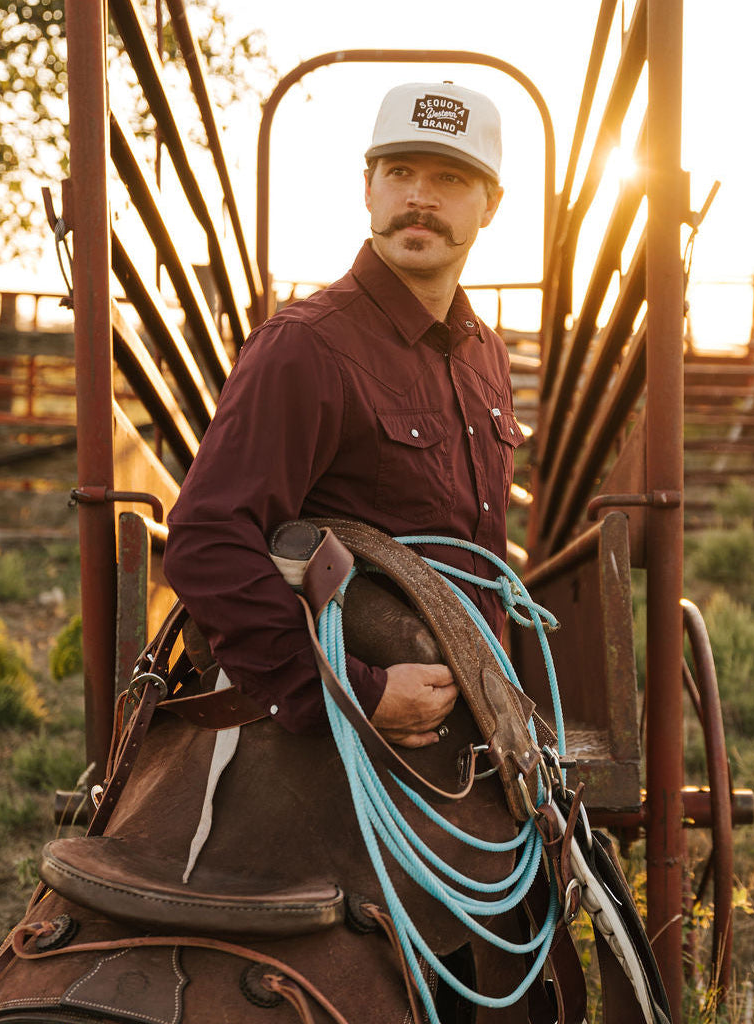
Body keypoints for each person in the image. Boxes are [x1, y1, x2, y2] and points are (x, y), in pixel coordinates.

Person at [163, 80, 523, 750]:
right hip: (358, 710)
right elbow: (209, 541)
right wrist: (354, 693)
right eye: (399, 172)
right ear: (368, 188)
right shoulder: (306, 347)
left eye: (449, 176)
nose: (419, 196)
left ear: (491, 205)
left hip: (475, 707)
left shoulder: (486, 356)